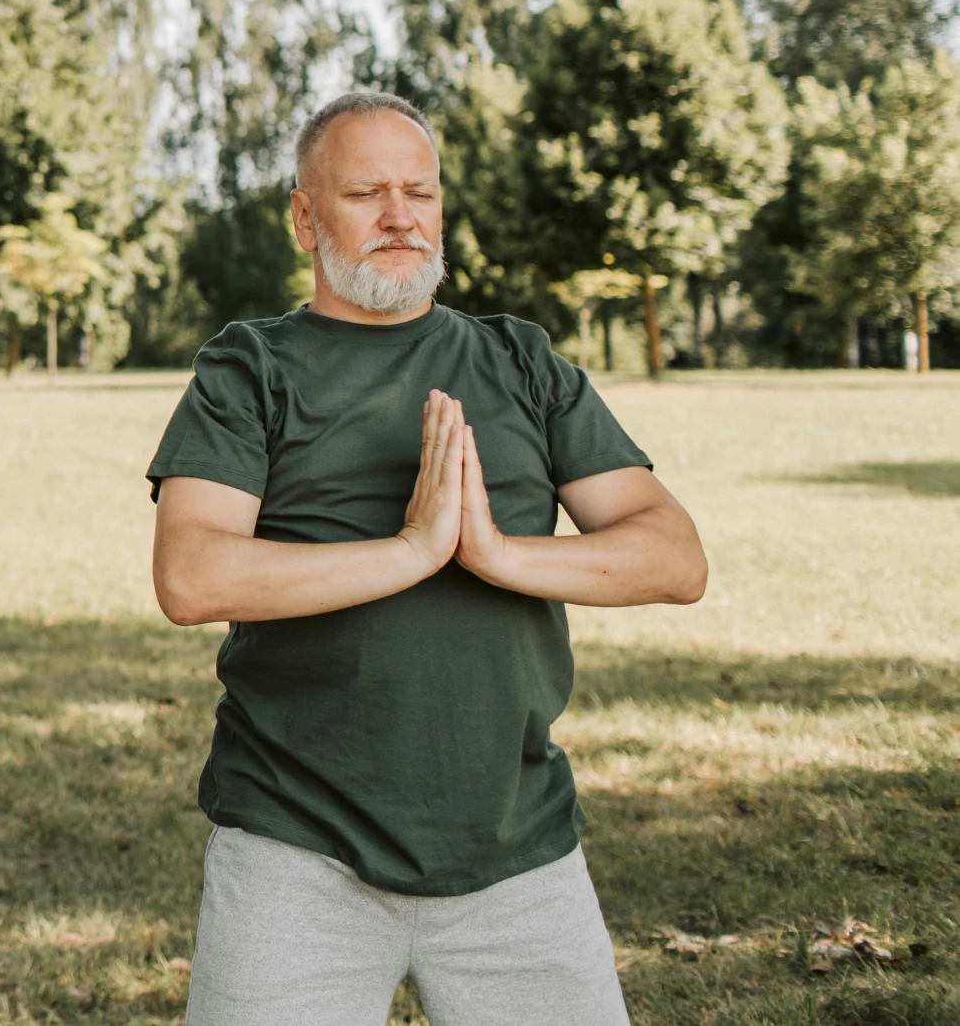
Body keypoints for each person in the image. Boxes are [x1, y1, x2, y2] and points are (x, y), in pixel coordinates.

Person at [147, 90, 708, 1026]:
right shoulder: (250, 367)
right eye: (366, 191)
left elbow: (674, 556)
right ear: (305, 217)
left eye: (421, 191)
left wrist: (494, 553)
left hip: (519, 849)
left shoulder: (522, 361)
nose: (401, 215)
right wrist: (410, 550)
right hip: (297, 850)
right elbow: (193, 575)